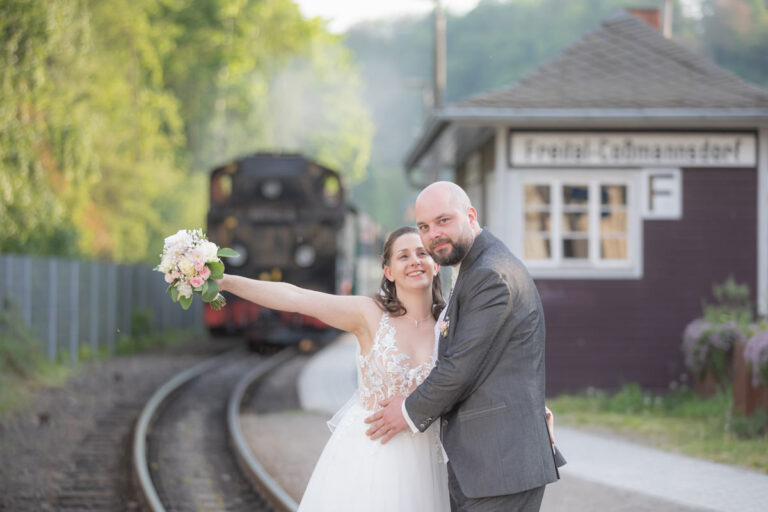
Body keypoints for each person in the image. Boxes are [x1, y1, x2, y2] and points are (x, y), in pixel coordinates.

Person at [217, 226, 451, 511]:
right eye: (403, 256)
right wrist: (226, 281)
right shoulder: (368, 314)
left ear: (436, 264)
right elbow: (295, 297)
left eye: (422, 253)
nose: (415, 261)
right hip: (373, 458)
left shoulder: (450, 323)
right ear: (388, 271)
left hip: (432, 461)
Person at [365, 182, 566, 512]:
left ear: (470, 215)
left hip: (500, 465)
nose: (433, 235)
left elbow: (461, 366)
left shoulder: (490, 274)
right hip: (485, 463)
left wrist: (405, 412)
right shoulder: (474, 268)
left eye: (443, 221)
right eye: (424, 227)